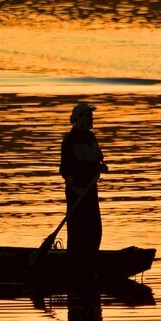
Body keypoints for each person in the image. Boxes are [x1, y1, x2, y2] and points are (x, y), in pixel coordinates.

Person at [59, 102, 108, 255]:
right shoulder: (69, 140)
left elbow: (99, 159)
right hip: (76, 191)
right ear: (78, 119)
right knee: (77, 229)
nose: (91, 119)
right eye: (88, 116)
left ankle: (91, 256)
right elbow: (65, 168)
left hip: (90, 189)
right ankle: (75, 258)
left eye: (91, 116)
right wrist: (74, 186)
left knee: (94, 229)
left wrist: (101, 167)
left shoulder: (91, 137)